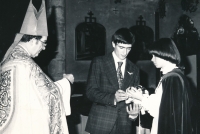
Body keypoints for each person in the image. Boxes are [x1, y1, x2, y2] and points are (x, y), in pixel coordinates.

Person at [0, 0, 73, 133]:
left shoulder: (9, 59)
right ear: (33, 40)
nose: (44, 48)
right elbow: (50, 95)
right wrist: (67, 82)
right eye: (43, 43)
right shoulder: (26, 64)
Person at [127, 38, 193, 134]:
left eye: (155, 55)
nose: (152, 59)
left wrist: (141, 98)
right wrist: (144, 95)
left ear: (165, 54)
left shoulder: (173, 78)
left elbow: (162, 112)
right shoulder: (172, 76)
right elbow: (162, 104)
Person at [85, 28, 140, 134]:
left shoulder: (134, 69)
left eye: (129, 48)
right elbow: (90, 92)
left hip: (124, 125)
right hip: (101, 123)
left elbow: (134, 99)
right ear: (113, 44)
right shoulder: (99, 62)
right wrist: (113, 98)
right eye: (121, 47)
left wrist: (133, 114)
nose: (125, 52)